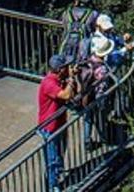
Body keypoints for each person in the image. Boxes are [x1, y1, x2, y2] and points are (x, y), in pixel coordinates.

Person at [38, 54, 78, 192]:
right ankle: (52, 186)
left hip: (60, 125)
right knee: (53, 160)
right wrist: (71, 79)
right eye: (67, 66)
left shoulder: (61, 79)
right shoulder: (48, 82)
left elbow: (73, 95)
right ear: (60, 69)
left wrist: (71, 80)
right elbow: (66, 95)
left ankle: (54, 179)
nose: (69, 68)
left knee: (59, 155)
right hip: (49, 128)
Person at [58, 0, 99, 64]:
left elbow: (64, 24)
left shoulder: (66, 13)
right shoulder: (93, 14)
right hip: (83, 49)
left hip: (66, 46)